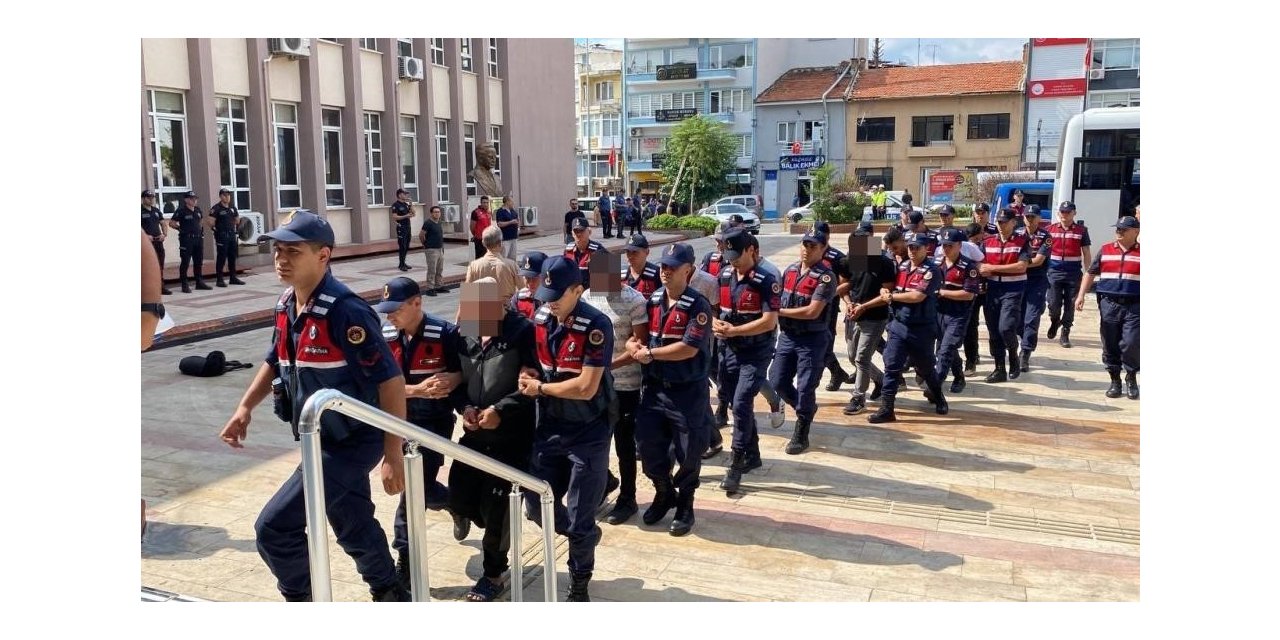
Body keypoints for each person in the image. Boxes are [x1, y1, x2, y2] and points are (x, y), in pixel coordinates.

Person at [217, 210, 411, 602]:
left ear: (323, 256)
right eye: (277, 250)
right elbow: (275, 359)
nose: (281, 260)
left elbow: (391, 383)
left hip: (353, 441)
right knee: (352, 521)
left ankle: (303, 602)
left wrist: (392, 453)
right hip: (322, 438)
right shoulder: (287, 303)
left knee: (275, 528)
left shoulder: (346, 312)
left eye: (293, 251)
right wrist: (244, 408)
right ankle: (391, 592)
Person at [517, 256, 616, 602]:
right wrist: (529, 375)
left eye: (558, 294)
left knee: (579, 515)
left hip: (588, 430)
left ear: (578, 289)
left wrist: (541, 389)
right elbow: (534, 362)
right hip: (550, 426)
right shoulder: (541, 317)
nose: (549, 300)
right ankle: (579, 534)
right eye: (546, 293)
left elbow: (586, 386)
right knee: (533, 498)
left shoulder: (596, 325)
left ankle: (579, 584)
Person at [373, 277, 468, 592]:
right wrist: (416, 390)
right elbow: (375, 387)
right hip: (396, 425)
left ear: (417, 303)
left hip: (432, 426)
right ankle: (454, 502)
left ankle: (406, 562)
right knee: (420, 490)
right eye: (387, 311)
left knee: (412, 493)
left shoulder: (444, 335)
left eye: (396, 309)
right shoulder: (384, 337)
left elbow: (464, 373)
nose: (390, 317)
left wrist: (454, 381)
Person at [447, 277, 539, 602]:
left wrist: (501, 409)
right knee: (457, 493)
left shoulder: (522, 330)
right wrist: (466, 407)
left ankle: (493, 574)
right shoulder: (465, 332)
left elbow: (532, 382)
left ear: (502, 302)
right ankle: (462, 512)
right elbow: (455, 381)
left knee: (499, 509)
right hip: (474, 432)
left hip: (511, 435)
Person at [629, 243, 713, 535]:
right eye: (663, 266)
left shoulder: (698, 306)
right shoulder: (651, 301)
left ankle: (686, 503)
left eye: (673, 267)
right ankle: (663, 491)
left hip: (687, 391)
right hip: (654, 389)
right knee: (647, 447)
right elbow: (636, 336)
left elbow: (689, 348)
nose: (665, 272)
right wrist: (633, 346)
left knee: (689, 451)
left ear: (688, 270)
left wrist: (651, 354)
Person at [581, 252, 650, 526]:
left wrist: (607, 365)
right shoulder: (588, 296)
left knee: (623, 445)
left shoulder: (635, 301)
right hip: (596, 384)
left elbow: (639, 343)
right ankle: (605, 482)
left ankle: (628, 498)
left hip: (625, 385)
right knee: (595, 442)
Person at [713, 229, 778, 492]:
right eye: (728, 255)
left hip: (756, 350)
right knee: (729, 398)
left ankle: (736, 462)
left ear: (751, 250)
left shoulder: (766, 279)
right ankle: (753, 453)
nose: (732, 261)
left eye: (736, 255)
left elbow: (769, 321)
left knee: (741, 403)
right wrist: (718, 323)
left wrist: (736, 330)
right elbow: (719, 309)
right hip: (728, 348)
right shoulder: (725, 275)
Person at [867, 233, 949, 423]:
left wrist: (892, 297)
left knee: (926, 367)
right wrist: (884, 291)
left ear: (925, 248)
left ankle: (938, 396)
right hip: (898, 326)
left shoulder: (932, 271)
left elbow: (917, 296)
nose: (912, 251)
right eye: (910, 247)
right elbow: (890, 288)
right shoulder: (902, 267)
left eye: (916, 248)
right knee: (892, 366)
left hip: (921, 329)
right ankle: (887, 409)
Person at [769, 226, 837, 454]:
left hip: (812, 338)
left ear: (823, 248)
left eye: (813, 246)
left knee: (806, 386)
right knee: (777, 380)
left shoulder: (826, 277)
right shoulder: (789, 271)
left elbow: (812, 312)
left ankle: (801, 431)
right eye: (804, 245)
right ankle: (804, 409)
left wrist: (779, 312)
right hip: (788, 336)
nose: (807, 250)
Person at [1075, 216, 1140, 400]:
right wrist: (1081, 295)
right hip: (1109, 304)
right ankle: (1114, 379)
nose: (1119, 231)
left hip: (1135, 305)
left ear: (1135, 231)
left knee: (1131, 342)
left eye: (1124, 229)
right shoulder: (1105, 250)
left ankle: (1131, 376)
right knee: (1110, 343)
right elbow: (1090, 273)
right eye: (1117, 228)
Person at [838, 222, 896, 415]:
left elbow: (887, 295)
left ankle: (858, 397)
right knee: (854, 357)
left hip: (875, 317)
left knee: (862, 358)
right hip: (854, 315)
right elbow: (845, 286)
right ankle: (879, 379)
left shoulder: (884, 263)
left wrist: (864, 307)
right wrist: (848, 304)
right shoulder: (850, 260)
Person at [979, 208, 1032, 383]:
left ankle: (1013, 356)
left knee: (1006, 327)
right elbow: (979, 264)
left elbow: (1021, 266)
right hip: (992, 290)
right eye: (999, 222)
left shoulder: (1022, 241)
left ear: (1013, 223)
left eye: (1004, 222)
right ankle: (999, 368)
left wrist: (992, 268)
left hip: (1013, 290)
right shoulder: (987, 242)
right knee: (994, 331)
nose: (1000, 225)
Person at [933, 230, 982, 394]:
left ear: (959, 246)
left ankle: (936, 384)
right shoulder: (937, 264)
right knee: (945, 348)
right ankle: (959, 375)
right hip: (938, 313)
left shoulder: (969, 267)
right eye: (943, 245)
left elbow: (969, 295)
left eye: (950, 246)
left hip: (958, 314)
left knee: (945, 349)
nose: (945, 249)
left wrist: (943, 293)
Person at [812, 222, 852, 393]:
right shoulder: (810, 251)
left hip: (828, 308)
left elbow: (851, 282)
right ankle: (838, 373)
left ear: (828, 236)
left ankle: (834, 375)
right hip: (812, 305)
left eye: (822, 235)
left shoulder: (838, 257)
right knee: (817, 345)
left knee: (824, 344)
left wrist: (830, 293)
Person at [1045, 201, 1092, 348]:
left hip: (1073, 273)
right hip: (1054, 272)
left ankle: (1065, 332)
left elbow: (1086, 252)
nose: (1065, 215)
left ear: (1074, 213)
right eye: (1062, 212)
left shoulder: (1081, 230)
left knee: (1070, 304)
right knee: (1053, 303)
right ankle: (1054, 321)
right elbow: (1044, 251)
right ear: (1058, 213)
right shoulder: (1049, 229)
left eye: (1068, 212)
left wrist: (1088, 272)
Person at [1015, 204, 1054, 372]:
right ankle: (1023, 340)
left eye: (1033, 217)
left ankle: (1025, 352)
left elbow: (1038, 260)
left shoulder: (1046, 236)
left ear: (1039, 219)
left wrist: (1019, 265)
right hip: (1017, 280)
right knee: (1017, 318)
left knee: (1031, 318)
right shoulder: (1016, 234)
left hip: (1036, 281)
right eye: (1027, 217)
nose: (1029, 220)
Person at [168, 190, 211, 292]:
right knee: (185, 262)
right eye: (192, 199)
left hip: (198, 239)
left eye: (195, 199)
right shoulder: (181, 211)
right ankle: (184, 284)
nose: (194, 201)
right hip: (186, 239)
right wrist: (180, 229)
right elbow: (172, 223)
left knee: (198, 261)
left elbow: (200, 221)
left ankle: (199, 282)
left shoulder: (197, 210)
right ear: (186, 200)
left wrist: (201, 232)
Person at [463, 226, 521, 302]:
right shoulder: (511, 265)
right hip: (506, 310)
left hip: (482, 310)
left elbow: (468, 296)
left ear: (483, 243)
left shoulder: (474, 266)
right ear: (500, 243)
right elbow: (523, 289)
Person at [962, 222, 989, 375]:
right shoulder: (968, 246)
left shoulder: (977, 246)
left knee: (971, 326)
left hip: (977, 291)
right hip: (962, 292)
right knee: (969, 326)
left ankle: (971, 359)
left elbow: (984, 266)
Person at [210, 188, 246, 287]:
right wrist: (219, 229)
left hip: (231, 235)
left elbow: (237, 220)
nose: (227, 197)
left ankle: (233, 277)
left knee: (232, 257)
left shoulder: (232, 207)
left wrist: (231, 225)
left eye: (228, 195)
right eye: (225, 195)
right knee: (221, 257)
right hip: (222, 236)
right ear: (221, 196)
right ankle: (219, 279)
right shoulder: (216, 208)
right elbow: (211, 222)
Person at [141, 189, 172, 295]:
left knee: (160, 265)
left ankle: (161, 286)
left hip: (158, 242)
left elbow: (163, 223)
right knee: (147, 266)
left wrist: (164, 234)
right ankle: (147, 289)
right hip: (146, 244)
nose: (151, 200)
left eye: (152, 198)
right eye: (148, 198)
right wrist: (144, 236)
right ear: (143, 199)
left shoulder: (156, 210)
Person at [564, 217, 607, 288]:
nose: (578, 234)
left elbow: (609, 282)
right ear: (572, 233)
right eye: (576, 231)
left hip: (591, 294)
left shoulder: (598, 250)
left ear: (589, 232)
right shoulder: (568, 250)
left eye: (581, 231)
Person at [510, 251, 548, 320]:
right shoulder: (518, 298)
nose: (530, 282)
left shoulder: (554, 301)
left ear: (545, 277)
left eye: (534, 278)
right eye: (527, 278)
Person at [419, 205, 446, 296]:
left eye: (438, 212)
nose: (437, 213)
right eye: (435, 212)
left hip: (439, 249)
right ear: (431, 213)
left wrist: (442, 248)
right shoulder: (428, 223)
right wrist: (425, 244)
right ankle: (430, 288)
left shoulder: (439, 222)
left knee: (439, 269)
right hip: (431, 250)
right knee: (432, 270)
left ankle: (439, 286)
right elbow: (421, 235)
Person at [392, 189, 416, 271]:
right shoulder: (396, 205)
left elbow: (413, 213)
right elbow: (394, 217)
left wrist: (411, 204)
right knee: (402, 246)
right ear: (399, 195)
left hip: (407, 227)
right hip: (401, 227)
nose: (406, 196)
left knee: (407, 245)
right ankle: (401, 264)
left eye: (406, 194)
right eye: (404, 194)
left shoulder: (406, 204)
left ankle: (403, 262)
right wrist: (406, 216)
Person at [495, 195, 520, 260]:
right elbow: (499, 224)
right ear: (507, 202)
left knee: (513, 258)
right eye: (512, 201)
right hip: (505, 239)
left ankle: (511, 269)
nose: (513, 203)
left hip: (514, 238)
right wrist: (511, 222)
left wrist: (518, 228)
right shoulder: (500, 211)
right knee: (504, 258)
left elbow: (517, 220)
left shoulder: (512, 211)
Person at [469, 195, 493, 260]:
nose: (486, 204)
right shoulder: (475, 212)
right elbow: (472, 227)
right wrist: (476, 235)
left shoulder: (489, 212)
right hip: (479, 240)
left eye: (487, 202)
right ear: (481, 203)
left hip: (488, 239)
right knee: (480, 259)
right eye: (484, 202)